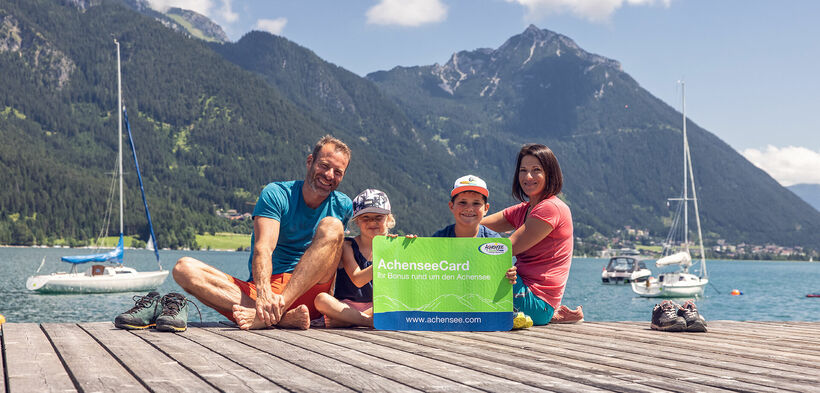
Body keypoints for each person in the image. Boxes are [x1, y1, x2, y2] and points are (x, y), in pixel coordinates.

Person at [172, 135, 353, 330]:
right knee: (184, 269)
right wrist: (265, 296)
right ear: (310, 161)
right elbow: (264, 248)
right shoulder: (277, 194)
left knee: (333, 226)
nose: (329, 175)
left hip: (310, 292)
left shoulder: (343, 206)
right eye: (324, 166)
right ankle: (280, 318)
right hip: (265, 292)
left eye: (338, 172)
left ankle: (272, 314)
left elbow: (340, 257)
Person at [480, 144, 583, 326]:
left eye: (536, 170)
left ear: (550, 174)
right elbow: (476, 226)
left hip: (536, 303)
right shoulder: (525, 209)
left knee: (485, 261)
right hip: (526, 293)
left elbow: (505, 249)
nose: (528, 176)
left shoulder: (551, 208)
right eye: (523, 170)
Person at [314, 189, 397, 328]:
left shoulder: (394, 246)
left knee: (394, 302)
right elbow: (358, 280)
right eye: (366, 217)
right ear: (357, 221)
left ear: (388, 219)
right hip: (345, 306)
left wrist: (407, 249)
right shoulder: (348, 246)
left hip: (375, 306)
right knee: (321, 300)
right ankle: (366, 321)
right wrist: (387, 260)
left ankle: (349, 320)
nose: (372, 222)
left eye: (378, 217)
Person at [432, 175, 517, 286]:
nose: (469, 208)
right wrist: (411, 247)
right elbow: (421, 268)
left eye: (476, 203)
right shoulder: (438, 239)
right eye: (462, 202)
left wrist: (509, 275)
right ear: (451, 206)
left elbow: (500, 273)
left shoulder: (494, 241)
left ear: (486, 208)